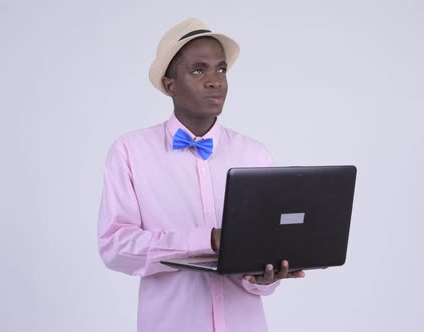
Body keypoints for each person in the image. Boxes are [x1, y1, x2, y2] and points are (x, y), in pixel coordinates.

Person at [97, 18, 304, 332]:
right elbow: (115, 248)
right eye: (199, 70)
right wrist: (204, 239)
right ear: (170, 85)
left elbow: (259, 267)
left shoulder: (255, 154)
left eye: (221, 69)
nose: (215, 81)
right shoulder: (130, 152)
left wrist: (265, 279)